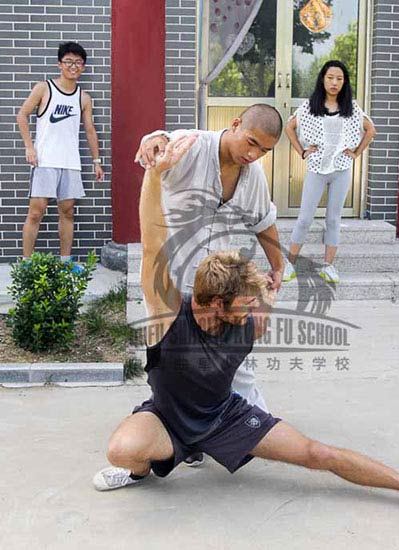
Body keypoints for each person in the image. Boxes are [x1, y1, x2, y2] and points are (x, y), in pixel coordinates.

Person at [92, 136, 399, 534]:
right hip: (167, 418)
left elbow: (260, 277)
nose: (253, 313)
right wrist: (155, 174)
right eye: (245, 306)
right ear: (215, 304)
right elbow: (152, 246)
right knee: (122, 450)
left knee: (317, 453)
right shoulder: (166, 315)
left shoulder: (247, 318)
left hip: (222, 416)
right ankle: (142, 470)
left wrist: (266, 286)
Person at [134, 104, 286, 466]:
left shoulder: (254, 177)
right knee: (176, 361)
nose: (253, 154)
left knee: (235, 361)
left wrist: (279, 264)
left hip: (220, 286)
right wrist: (151, 142)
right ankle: (180, 433)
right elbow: (157, 144)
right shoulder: (193, 145)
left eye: (263, 150)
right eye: (250, 143)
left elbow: (263, 218)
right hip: (172, 280)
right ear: (234, 124)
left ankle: (243, 426)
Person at [282, 60, 376, 284]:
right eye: (330, 77)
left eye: (339, 79)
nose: (334, 82)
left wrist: (355, 153)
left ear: (344, 82)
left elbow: (370, 130)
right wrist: (303, 152)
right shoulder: (309, 106)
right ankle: (289, 265)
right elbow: (289, 127)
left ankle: (328, 267)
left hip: (341, 170)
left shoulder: (351, 108)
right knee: (305, 218)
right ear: (323, 79)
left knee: (333, 219)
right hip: (316, 169)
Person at [16, 42, 104, 272]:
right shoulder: (44, 88)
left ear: (83, 67)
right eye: (68, 62)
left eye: (78, 63)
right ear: (59, 64)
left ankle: (66, 263)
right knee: (36, 211)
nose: (73, 66)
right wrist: (29, 147)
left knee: (67, 211)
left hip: (70, 163)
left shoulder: (83, 98)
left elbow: (90, 130)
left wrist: (96, 161)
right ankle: (26, 264)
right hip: (45, 161)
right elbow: (22, 115)